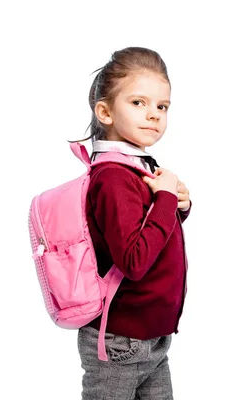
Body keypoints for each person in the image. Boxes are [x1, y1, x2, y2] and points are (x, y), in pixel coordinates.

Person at [74, 47, 191, 400]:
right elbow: (134, 260)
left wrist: (176, 205)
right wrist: (166, 199)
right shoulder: (112, 176)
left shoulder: (135, 166)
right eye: (138, 103)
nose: (154, 115)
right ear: (105, 112)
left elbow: (147, 232)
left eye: (162, 106)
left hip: (151, 337)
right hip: (120, 343)